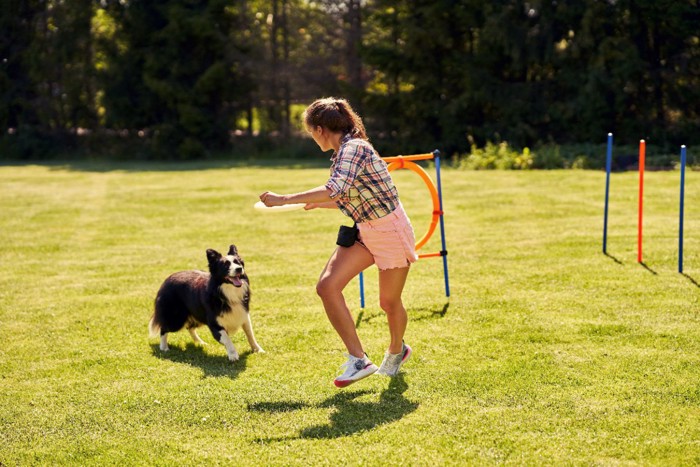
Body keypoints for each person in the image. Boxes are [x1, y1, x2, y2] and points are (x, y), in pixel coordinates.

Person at [259, 97, 417, 388]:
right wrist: (319, 205)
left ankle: (397, 351)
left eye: (310, 133)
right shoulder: (343, 153)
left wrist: (284, 199)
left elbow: (336, 189)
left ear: (320, 129)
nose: (311, 139)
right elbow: (351, 196)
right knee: (327, 287)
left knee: (388, 302)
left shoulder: (355, 148)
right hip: (365, 231)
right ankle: (359, 360)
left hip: (391, 232)